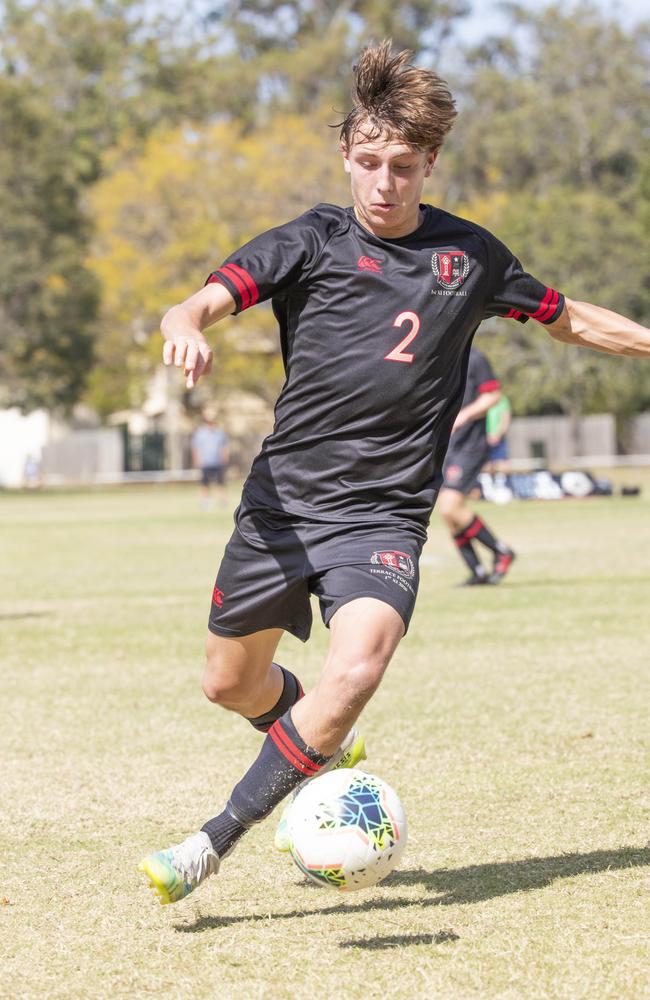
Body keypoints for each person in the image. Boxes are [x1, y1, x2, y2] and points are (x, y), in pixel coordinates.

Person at [139, 41, 650, 905]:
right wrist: (186, 321)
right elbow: (202, 297)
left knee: (360, 668)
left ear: (430, 164)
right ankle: (315, 739)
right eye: (369, 163)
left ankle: (209, 843)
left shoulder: (471, 256)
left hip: (382, 518)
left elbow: (566, 320)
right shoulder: (310, 239)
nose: (384, 183)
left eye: (403, 167)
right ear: (347, 155)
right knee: (228, 683)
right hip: (282, 508)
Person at [438, 348, 516, 586]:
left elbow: (493, 396)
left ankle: (501, 551)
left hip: (471, 445)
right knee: (447, 513)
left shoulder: (475, 357)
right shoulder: (440, 354)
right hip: (451, 445)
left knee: (450, 507)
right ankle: (477, 571)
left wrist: (464, 415)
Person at [191, 408, 230, 508]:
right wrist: (197, 460)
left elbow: (224, 446)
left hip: (217, 462)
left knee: (220, 482)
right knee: (205, 483)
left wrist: (225, 457)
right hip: (205, 462)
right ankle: (205, 502)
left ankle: (222, 501)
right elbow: (195, 447)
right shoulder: (200, 432)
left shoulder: (219, 432)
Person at [486, 392, 512, 474]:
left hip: (499, 439)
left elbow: (506, 418)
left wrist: (499, 435)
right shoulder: (482, 398)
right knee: (486, 466)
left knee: (502, 465)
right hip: (484, 439)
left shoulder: (502, 399)